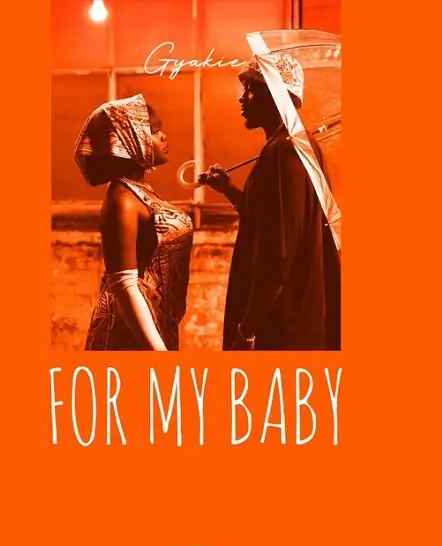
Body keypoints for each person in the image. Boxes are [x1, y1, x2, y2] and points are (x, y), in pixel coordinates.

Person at [199, 52, 341, 351]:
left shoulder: (286, 152)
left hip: (284, 319)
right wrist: (229, 190)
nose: (242, 98)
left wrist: (247, 329)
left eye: (251, 89)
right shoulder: (286, 146)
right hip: (287, 310)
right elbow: (267, 220)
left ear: (276, 95)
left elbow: (279, 253)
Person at [74, 93, 193, 351]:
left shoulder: (140, 190)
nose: (163, 137)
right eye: (154, 131)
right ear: (130, 140)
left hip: (157, 327)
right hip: (129, 336)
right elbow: (123, 284)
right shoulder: (122, 198)